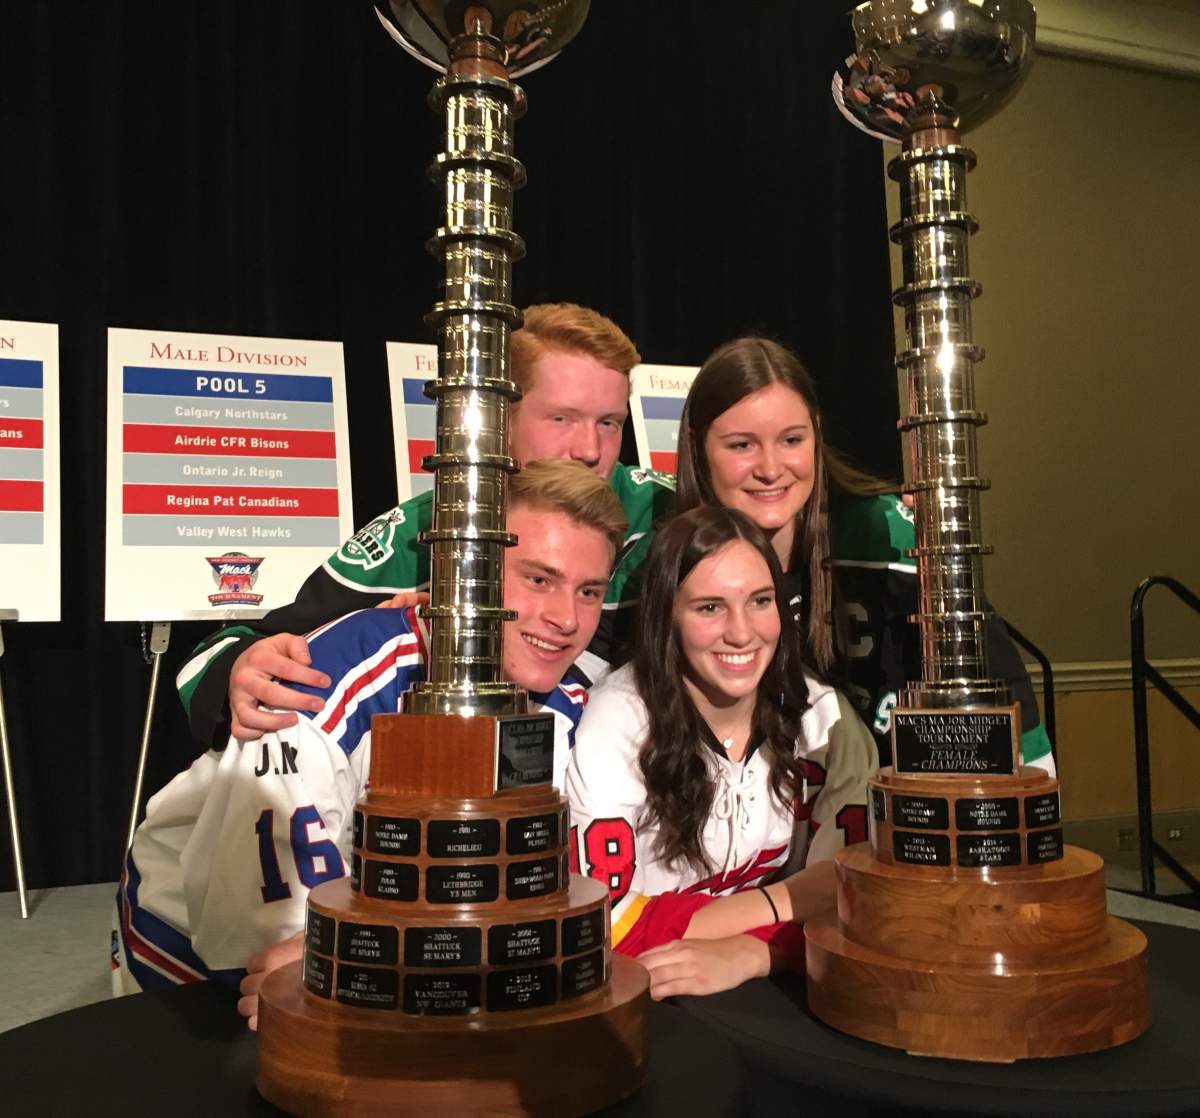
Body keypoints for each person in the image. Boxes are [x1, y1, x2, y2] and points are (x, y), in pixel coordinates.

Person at [115, 461, 628, 1028]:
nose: (565, 618)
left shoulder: (576, 697)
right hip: (189, 954)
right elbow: (259, 940)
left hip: (388, 949)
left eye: (588, 592)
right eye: (538, 579)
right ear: (467, 572)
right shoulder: (324, 678)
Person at [176, 303, 675, 751]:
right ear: (500, 415)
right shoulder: (424, 533)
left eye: (608, 423)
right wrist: (240, 674)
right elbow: (221, 651)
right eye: (562, 418)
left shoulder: (664, 511)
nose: (589, 449)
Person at [673, 336, 1055, 772]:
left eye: (791, 440)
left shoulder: (887, 537)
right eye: (742, 445)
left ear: (816, 434)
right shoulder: (674, 560)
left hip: (890, 821)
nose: (771, 468)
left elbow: (1003, 697)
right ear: (698, 446)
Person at [566, 507, 878, 999]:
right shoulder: (622, 717)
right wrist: (788, 899)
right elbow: (601, 921)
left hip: (787, 986)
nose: (741, 632)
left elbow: (864, 910)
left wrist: (760, 955)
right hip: (651, 996)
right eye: (710, 607)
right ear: (667, 616)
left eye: (760, 600)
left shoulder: (823, 718)